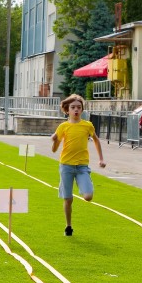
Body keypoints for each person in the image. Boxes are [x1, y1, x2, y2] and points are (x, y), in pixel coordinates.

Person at [50, 94, 106, 237]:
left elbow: (96, 140)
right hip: (66, 166)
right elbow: (54, 149)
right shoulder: (63, 126)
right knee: (68, 199)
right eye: (73, 107)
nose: (76, 110)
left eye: (79, 107)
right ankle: (68, 226)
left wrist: (101, 159)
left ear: (82, 110)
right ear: (67, 110)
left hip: (82, 166)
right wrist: (55, 140)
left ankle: (84, 185)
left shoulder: (87, 125)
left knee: (88, 196)